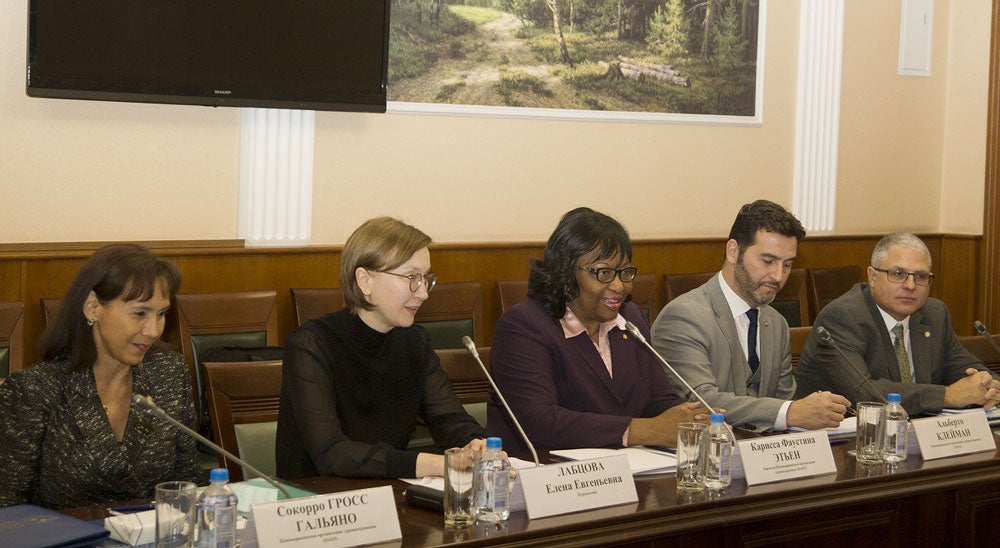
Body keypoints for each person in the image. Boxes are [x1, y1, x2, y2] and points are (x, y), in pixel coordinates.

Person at [276, 217, 486, 479]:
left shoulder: (415, 342)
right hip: (315, 507)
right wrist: (435, 465)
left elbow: (450, 419)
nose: (423, 293)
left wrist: (475, 443)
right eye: (411, 278)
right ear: (365, 281)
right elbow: (332, 454)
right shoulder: (310, 344)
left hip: (386, 497)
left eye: (425, 279)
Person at [486, 207, 708, 453]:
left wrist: (694, 420)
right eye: (604, 273)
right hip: (548, 477)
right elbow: (539, 422)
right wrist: (644, 431)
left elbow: (657, 399)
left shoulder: (629, 318)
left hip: (627, 472)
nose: (618, 285)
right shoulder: (524, 326)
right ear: (566, 273)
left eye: (625, 273)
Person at [0, 244, 198, 510]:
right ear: (93, 307)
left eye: (161, 314)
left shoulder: (169, 373)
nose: (153, 330)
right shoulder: (34, 390)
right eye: (140, 313)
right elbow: (7, 509)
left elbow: (186, 484)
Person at [651, 200, 849, 432]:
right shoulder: (684, 316)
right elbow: (702, 402)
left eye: (787, 265)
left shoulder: (776, 323)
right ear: (733, 251)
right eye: (768, 261)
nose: (778, 276)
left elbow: (784, 399)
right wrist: (789, 412)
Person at [795, 232, 1000, 415]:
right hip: (843, 441)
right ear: (872, 277)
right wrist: (949, 395)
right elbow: (866, 395)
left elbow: (966, 367)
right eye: (898, 274)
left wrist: (989, 386)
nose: (910, 285)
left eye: (920, 276)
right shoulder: (842, 317)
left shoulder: (934, 313)